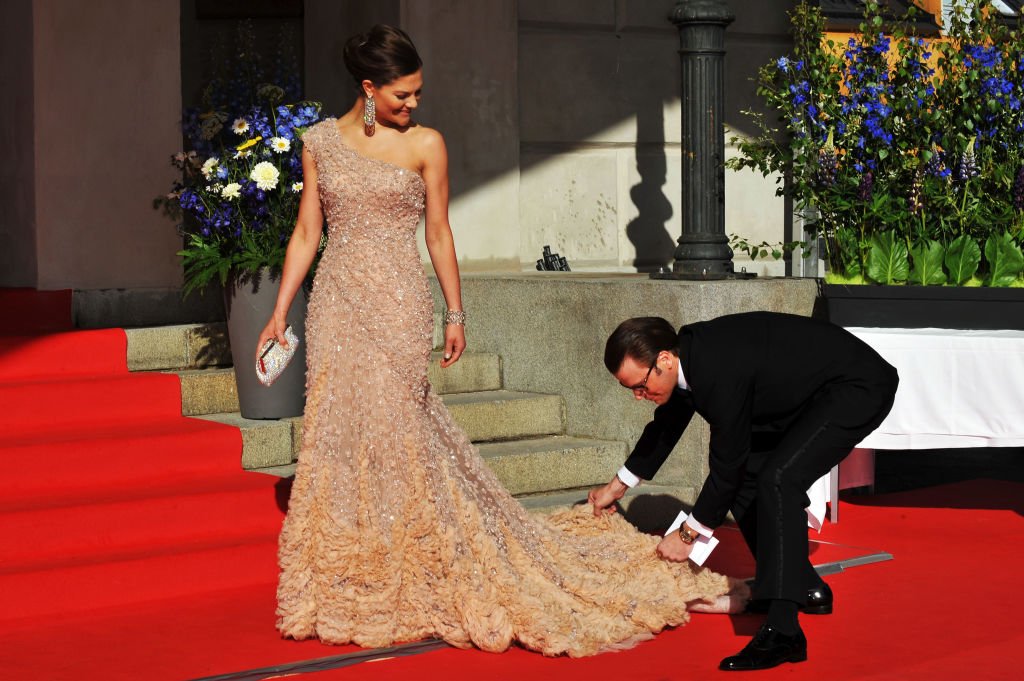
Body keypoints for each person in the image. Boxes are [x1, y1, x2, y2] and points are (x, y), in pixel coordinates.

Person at [258, 24, 746, 657]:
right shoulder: (319, 142)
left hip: (399, 305)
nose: (413, 105)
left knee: (398, 424)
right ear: (369, 86)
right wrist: (279, 312)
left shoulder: (427, 145)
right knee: (340, 425)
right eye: (402, 95)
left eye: (419, 93)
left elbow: (438, 234)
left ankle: (411, 552)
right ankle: (358, 559)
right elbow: (305, 232)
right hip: (336, 306)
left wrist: (455, 313)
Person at [590, 312, 898, 671]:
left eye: (639, 386)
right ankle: (804, 587)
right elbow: (665, 429)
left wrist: (688, 534)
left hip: (857, 386)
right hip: (805, 395)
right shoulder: (687, 361)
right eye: (631, 390)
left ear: (664, 360)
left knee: (779, 479)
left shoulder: (716, 370)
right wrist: (616, 487)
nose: (638, 397)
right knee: (749, 481)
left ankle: (785, 633)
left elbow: (726, 466)